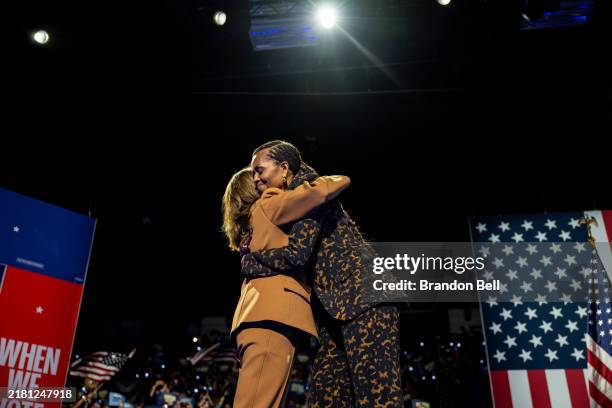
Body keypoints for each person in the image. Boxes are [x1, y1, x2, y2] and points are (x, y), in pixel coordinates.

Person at [242, 140, 403, 407]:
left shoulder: (308, 194)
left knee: (376, 396)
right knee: (324, 396)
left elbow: (297, 254)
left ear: (284, 168)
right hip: (333, 310)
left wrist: (252, 262)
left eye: (259, 170)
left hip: (366, 299)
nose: (255, 179)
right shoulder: (294, 198)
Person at [222, 165, 350, 408]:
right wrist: (295, 173)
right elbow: (323, 189)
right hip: (271, 317)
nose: (264, 178)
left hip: (257, 316)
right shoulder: (268, 204)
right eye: (258, 177)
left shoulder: (251, 224)